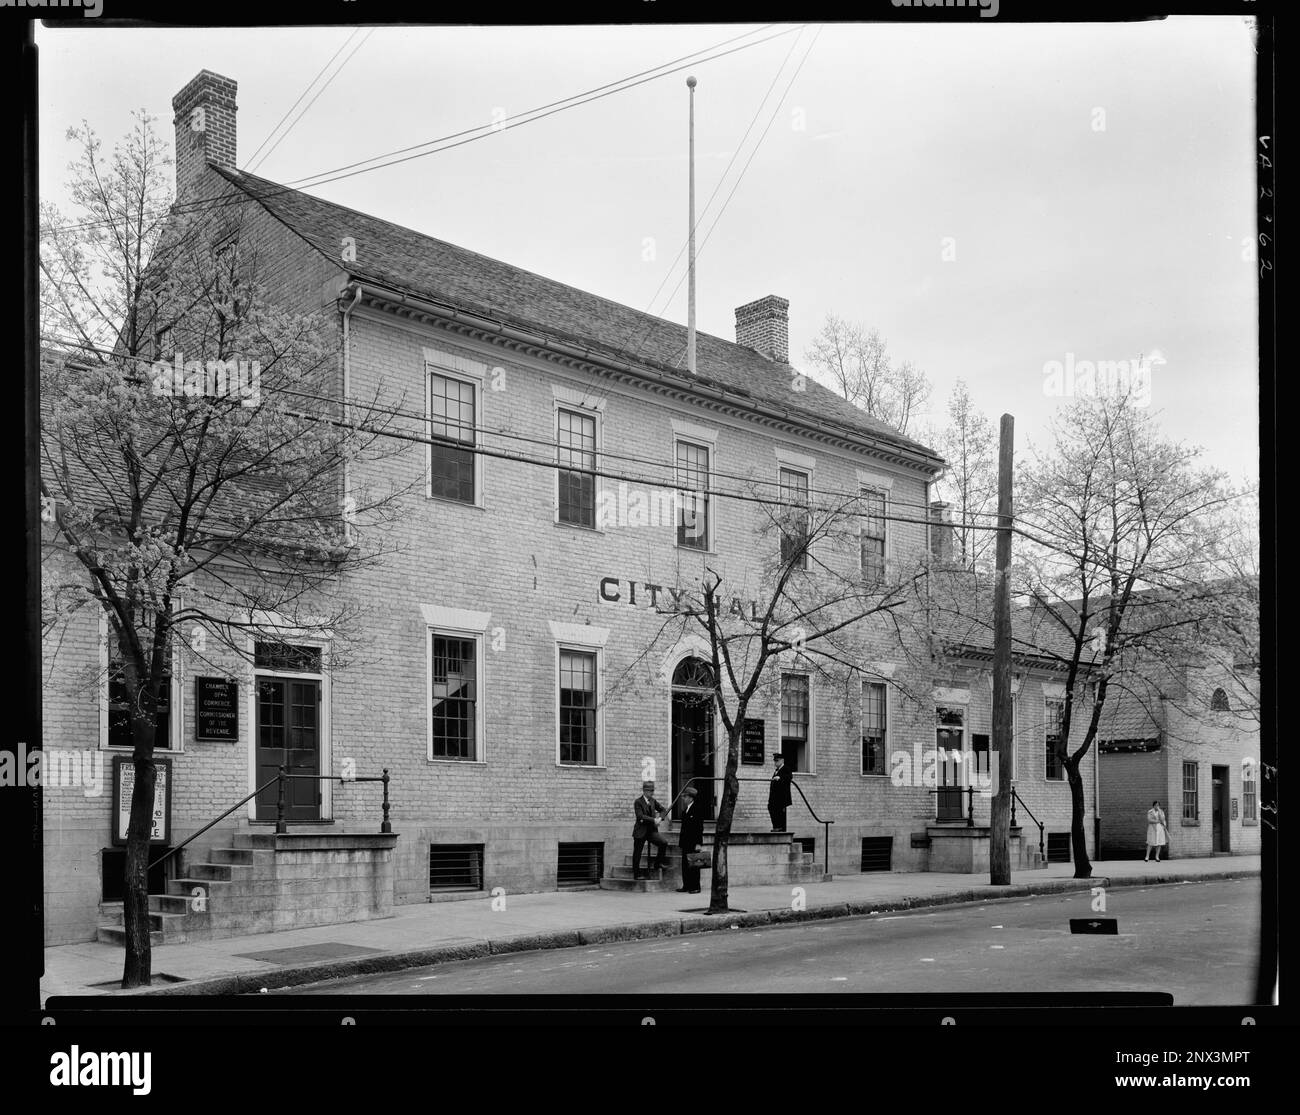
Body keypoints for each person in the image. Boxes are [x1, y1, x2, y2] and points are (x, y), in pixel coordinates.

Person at [632, 780, 670, 879]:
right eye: (650, 791)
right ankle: (636, 874)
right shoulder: (638, 802)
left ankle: (658, 864)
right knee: (637, 853)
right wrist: (654, 820)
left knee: (663, 843)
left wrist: (660, 818)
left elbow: (663, 810)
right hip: (640, 831)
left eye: (653, 790)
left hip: (651, 831)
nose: (652, 793)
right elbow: (640, 816)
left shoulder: (653, 801)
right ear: (644, 791)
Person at [676, 786, 705, 894]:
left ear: (691, 798)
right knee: (685, 865)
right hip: (685, 842)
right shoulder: (686, 810)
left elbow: (699, 828)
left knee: (694, 865)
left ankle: (696, 887)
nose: (684, 799)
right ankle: (687, 885)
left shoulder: (697, 809)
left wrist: (698, 843)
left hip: (693, 842)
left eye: (685, 797)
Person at [767, 752, 793, 832]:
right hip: (774, 796)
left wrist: (780, 778)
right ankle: (776, 826)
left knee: (779, 811)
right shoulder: (776, 770)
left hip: (781, 796)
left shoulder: (786, 768)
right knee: (771, 808)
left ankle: (779, 827)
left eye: (777, 761)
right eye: (774, 761)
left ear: (782, 760)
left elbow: (789, 777)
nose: (775, 763)